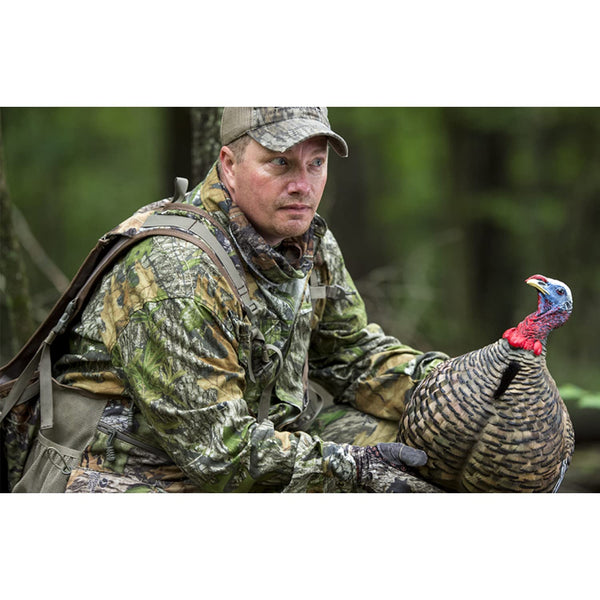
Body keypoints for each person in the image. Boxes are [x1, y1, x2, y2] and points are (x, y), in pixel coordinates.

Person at [50, 107, 447, 493]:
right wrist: (355, 466)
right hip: (132, 469)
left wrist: (452, 385)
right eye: (280, 163)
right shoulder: (176, 272)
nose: (303, 185)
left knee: (432, 449)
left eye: (316, 163)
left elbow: (349, 354)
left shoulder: (306, 243)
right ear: (229, 165)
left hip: (254, 442)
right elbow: (219, 454)